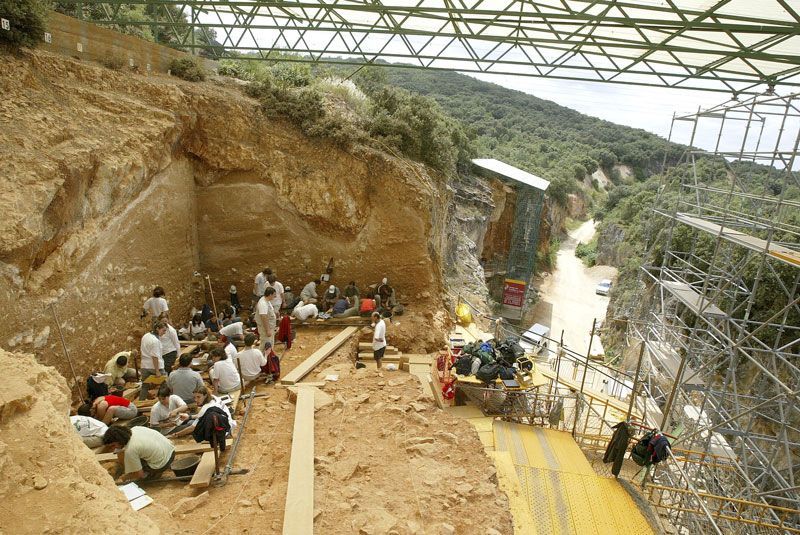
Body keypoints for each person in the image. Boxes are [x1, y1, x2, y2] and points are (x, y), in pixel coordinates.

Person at [103, 425, 175, 483]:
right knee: (124, 453)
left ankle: (152, 474)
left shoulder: (131, 449)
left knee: (137, 472)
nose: (112, 449)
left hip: (162, 464)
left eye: (113, 445)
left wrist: (123, 478)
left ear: (119, 440)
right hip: (171, 451)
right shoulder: (136, 428)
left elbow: (138, 474)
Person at [139, 322, 167, 401]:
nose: (164, 333)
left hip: (144, 366)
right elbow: (155, 357)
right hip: (154, 366)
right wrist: (157, 371)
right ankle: (164, 402)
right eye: (163, 331)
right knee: (165, 385)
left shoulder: (146, 336)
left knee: (144, 386)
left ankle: (140, 402)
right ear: (157, 329)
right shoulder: (155, 341)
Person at [255, 287, 277, 352]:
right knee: (265, 344)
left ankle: (269, 358)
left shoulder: (266, 300)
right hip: (265, 328)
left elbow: (269, 311)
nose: (275, 296)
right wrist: (268, 330)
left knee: (270, 343)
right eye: (274, 295)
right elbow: (263, 317)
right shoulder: (263, 303)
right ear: (270, 295)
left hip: (270, 326)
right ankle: (262, 359)